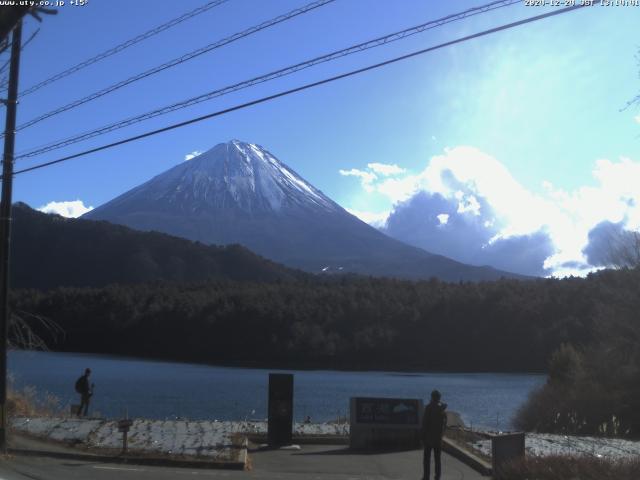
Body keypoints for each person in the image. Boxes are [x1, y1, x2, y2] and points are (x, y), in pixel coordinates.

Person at [421, 389, 447, 480]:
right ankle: (437, 476)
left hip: (428, 438)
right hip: (438, 438)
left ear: (432, 397)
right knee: (437, 459)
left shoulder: (429, 407)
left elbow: (425, 423)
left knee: (426, 459)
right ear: (439, 398)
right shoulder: (442, 409)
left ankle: (426, 477)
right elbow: (444, 424)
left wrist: (422, 436)